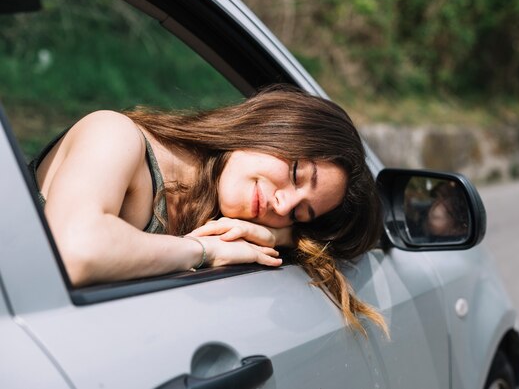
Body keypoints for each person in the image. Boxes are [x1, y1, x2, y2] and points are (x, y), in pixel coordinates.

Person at [30, 85, 386, 335]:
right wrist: (204, 250)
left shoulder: (227, 216)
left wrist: (279, 235)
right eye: (295, 173)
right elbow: (74, 252)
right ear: (271, 126)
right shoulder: (115, 135)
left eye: (298, 214)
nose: (281, 204)